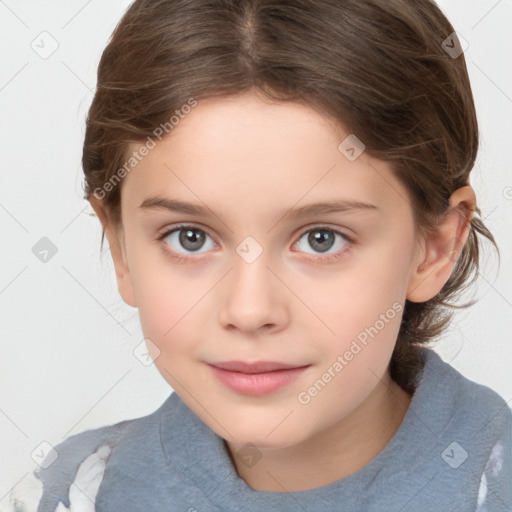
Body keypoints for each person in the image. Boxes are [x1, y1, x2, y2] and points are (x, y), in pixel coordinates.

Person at [9, 0, 511, 510]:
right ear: (120, 246)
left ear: (435, 248)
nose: (249, 311)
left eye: (321, 239)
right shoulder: (71, 494)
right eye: (190, 238)